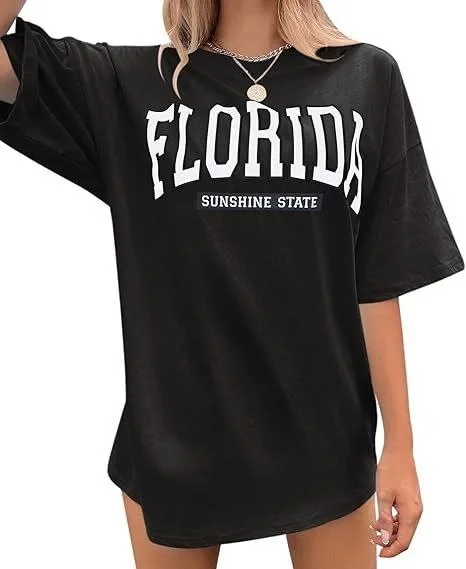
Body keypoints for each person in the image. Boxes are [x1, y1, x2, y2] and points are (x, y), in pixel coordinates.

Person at [0, 1, 464, 568]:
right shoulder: (130, 86)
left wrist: (400, 446)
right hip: (176, 442)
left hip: (326, 439)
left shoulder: (366, 76)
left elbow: (377, 277)